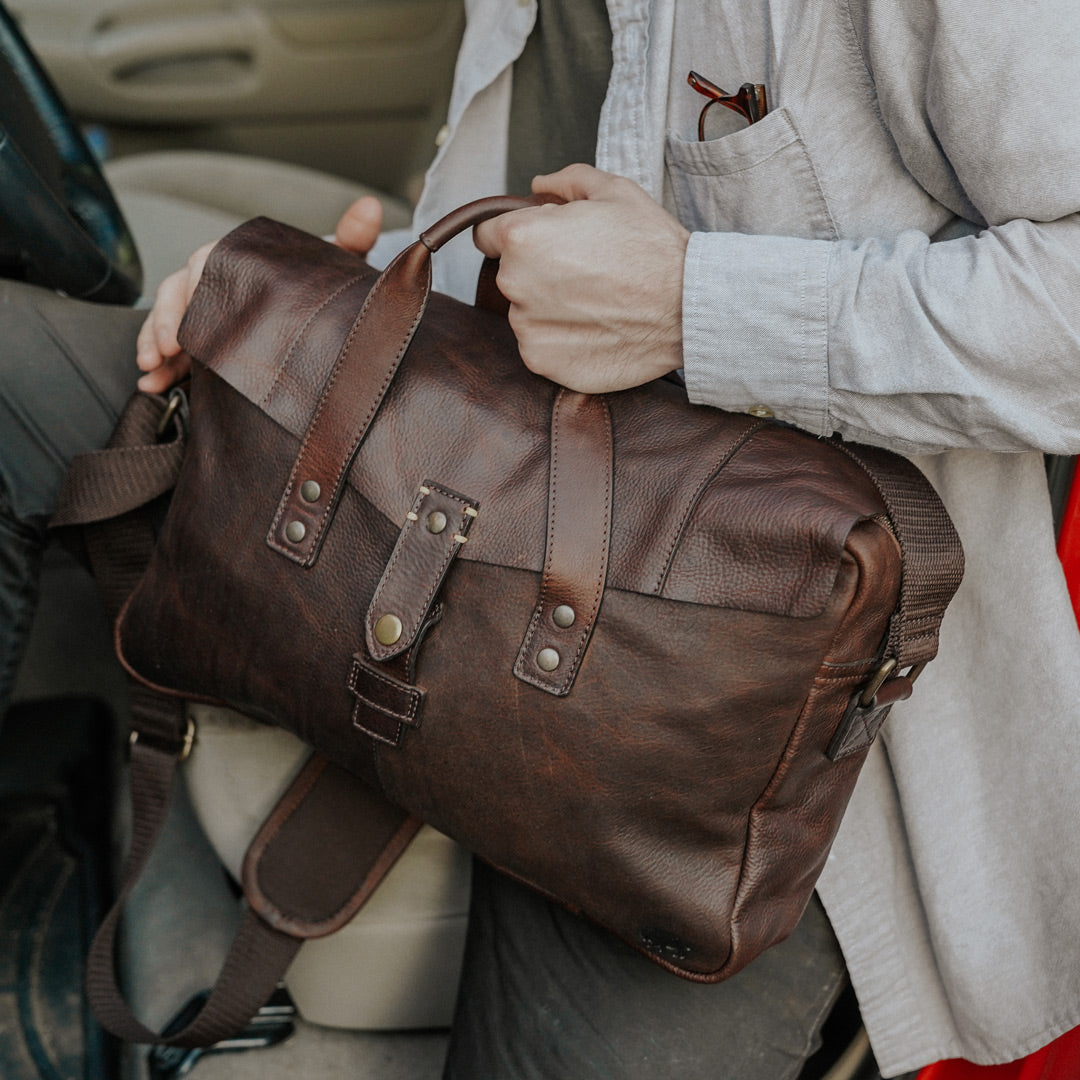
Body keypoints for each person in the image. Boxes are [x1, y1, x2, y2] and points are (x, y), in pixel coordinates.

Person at [4, 0, 1080, 1076]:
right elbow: (537, 246)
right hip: (492, 457)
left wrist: (693, 305)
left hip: (728, 685)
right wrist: (293, 300)